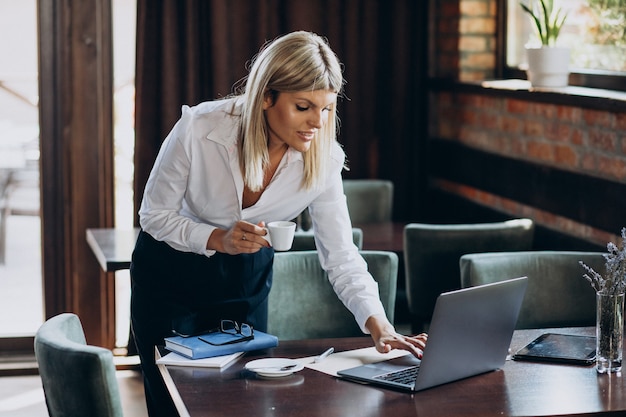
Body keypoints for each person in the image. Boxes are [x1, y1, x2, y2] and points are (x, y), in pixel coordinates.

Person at [130, 30, 428, 417]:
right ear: (266, 97)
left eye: (326, 109)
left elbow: (340, 255)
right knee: (174, 405)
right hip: (169, 272)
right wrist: (217, 238)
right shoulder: (200, 128)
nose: (317, 123)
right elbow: (153, 216)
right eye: (304, 106)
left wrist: (379, 324)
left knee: (246, 404)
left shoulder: (324, 160)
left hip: (244, 279)